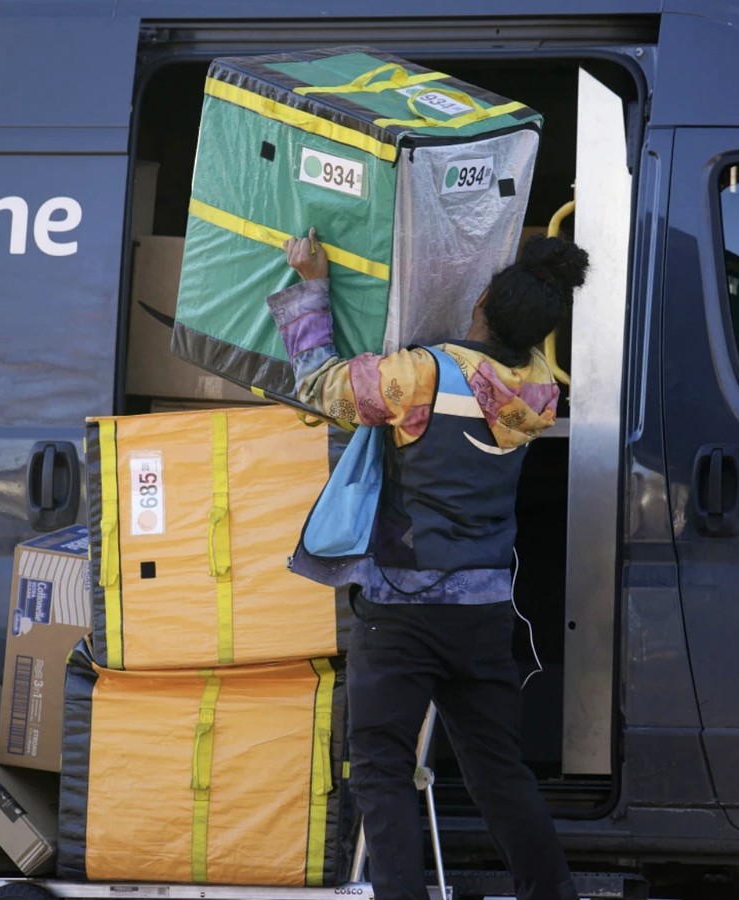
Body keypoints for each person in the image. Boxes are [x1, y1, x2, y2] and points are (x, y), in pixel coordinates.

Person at [266, 226, 589, 900]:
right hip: (482, 613)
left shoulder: (418, 376)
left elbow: (322, 386)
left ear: (480, 306)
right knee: (498, 772)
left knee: (382, 771)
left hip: (402, 612)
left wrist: (312, 287)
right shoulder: (537, 392)